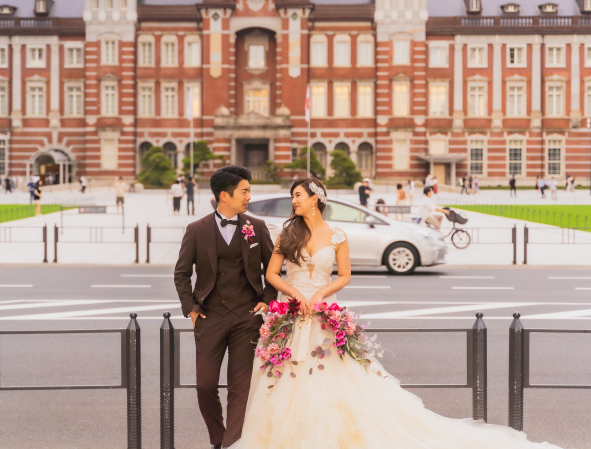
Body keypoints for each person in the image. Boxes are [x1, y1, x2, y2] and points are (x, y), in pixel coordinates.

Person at [229, 178, 566, 449]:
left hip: (321, 314)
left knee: (332, 378)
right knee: (284, 379)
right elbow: (272, 274)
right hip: (291, 315)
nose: (294, 201)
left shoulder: (337, 235)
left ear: (315, 198)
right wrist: (294, 293)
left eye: (298, 195)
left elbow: (344, 276)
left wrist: (319, 293)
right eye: (292, 197)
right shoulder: (287, 233)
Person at [173, 165, 278, 449]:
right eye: (244, 191)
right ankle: (218, 439)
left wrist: (267, 302)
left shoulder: (256, 227)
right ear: (224, 195)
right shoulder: (196, 229)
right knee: (205, 386)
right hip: (210, 316)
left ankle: (233, 444)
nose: (248, 197)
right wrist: (191, 309)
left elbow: (272, 270)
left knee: (239, 387)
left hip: (247, 317)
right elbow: (181, 273)